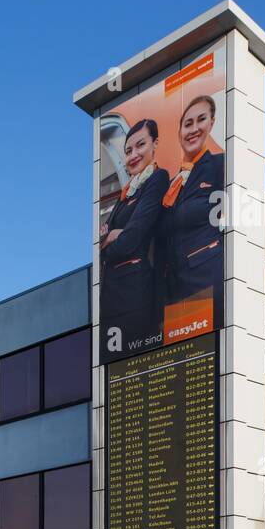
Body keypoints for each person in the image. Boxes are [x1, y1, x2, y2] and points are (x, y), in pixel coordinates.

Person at [100, 118, 170, 348]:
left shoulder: (158, 178)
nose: (133, 155)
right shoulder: (127, 191)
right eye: (128, 150)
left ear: (155, 144)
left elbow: (133, 238)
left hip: (135, 294)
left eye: (140, 145)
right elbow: (102, 245)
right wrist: (111, 237)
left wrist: (114, 239)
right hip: (111, 298)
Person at [160, 94, 225, 304]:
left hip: (207, 279)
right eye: (188, 124)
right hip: (173, 288)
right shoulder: (171, 184)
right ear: (179, 132)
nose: (194, 129)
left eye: (201, 120)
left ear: (211, 123)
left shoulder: (220, 164)